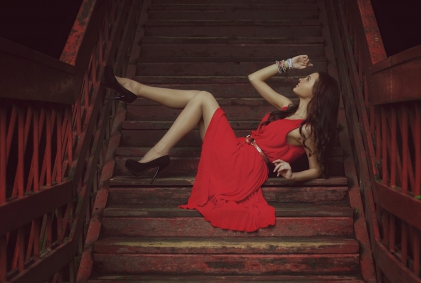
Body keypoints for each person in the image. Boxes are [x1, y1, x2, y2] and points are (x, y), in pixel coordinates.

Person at [103, 55, 340, 232]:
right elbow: (253, 78)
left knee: (204, 97)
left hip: (244, 167)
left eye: (307, 78)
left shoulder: (306, 129)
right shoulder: (287, 108)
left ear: (318, 94)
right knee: (199, 99)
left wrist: (291, 175)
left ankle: (150, 131)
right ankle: (135, 91)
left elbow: (316, 169)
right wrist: (288, 63)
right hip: (237, 151)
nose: (301, 77)